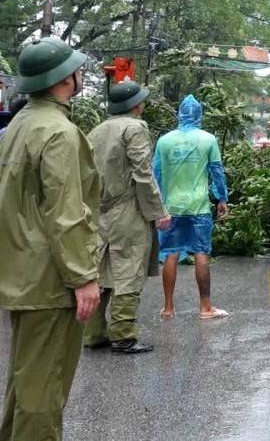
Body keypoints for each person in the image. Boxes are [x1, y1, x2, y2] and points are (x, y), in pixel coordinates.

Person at [0, 37, 101, 440]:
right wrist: (83, 276)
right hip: (51, 279)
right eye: (77, 70)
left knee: (26, 381)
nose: (81, 74)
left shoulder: (19, 124)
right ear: (64, 78)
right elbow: (65, 212)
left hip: (22, 271)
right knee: (45, 389)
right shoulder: (60, 132)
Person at [84, 80, 172, 354]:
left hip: (100, 210)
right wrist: (158, 211)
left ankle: (93, 333)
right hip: (128, 210)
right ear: (136, 105)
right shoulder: (135, 128)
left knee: (101, 271)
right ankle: (123, 336)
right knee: (128, 271)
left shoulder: (97, 130)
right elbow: (143, 174)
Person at [154, 95, 230, 320]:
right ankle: (205, 308)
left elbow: (155, 174)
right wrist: (222, 198)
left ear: (179, 114)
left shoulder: (164, 141)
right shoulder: (208, 140)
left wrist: (157, 205)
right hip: (198, 207)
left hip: (171, 208)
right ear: (199, 115)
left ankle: (168, 308)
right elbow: (217, 171)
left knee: (170, 254)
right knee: (201, 253)